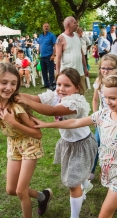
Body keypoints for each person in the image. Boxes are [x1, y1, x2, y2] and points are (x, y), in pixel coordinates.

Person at [31, 69, 117, 218]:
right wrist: (47, 125)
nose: (108, 101)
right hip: (107, 169)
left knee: (104, 214)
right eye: (105, 97)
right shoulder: (104, 114)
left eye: (113, 98)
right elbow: (76, 122)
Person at [16, 68, 97, 218]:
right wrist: (15, 95)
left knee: (73, 184)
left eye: (67, 85)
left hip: (82, 144)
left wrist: (25, 101)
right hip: (67, 143)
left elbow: (53, 111)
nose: (61, 89)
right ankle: (85, 183)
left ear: (77, 88)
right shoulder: (55, 95)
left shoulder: (76, 102)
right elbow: (35, 98)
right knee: (74, 175)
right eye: (59, 84)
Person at [0, 63, 52, 217]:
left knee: (21, 191)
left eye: (13, 83)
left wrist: (12, 122)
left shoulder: (17, 106)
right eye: (4, 82)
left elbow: (37, 134)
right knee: (11, 190)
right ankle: (42, 196)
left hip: (29, 143)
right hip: (13, 144)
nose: (9, 87)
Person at [90, 54, 117, 181]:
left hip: (116, 120)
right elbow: (95, 100)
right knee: (96, 143)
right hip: (102, 119)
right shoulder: (99, 82)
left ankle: (107, 170)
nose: (105, 71)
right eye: (103, 68)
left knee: (111, 146)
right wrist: (95, 115)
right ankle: (90, 171)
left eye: (110, 68)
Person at [56, 16, 88, 91]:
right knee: (69, 97)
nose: (77, 24)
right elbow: (58, 58)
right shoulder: (61, 38)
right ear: (68, 25)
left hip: (80, 72)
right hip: (68, 75)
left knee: (81, 94)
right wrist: (58, 74)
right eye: (74, 23)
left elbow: (81, 53)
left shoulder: (77, 36)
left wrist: (85, 68)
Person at [38, 22, 57, 90]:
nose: (46, 27)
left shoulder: (52, 36)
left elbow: (55, 46)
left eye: (47, 26)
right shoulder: (40, 36)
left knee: (51, 71)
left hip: (49, 56)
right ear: (43, 28)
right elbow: (40, 45)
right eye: (45, 26)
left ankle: (52, 84)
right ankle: (46, 84)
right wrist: (38, 54)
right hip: (42, 56)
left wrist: (53, 55)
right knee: (43, 71)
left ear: (49, 27)